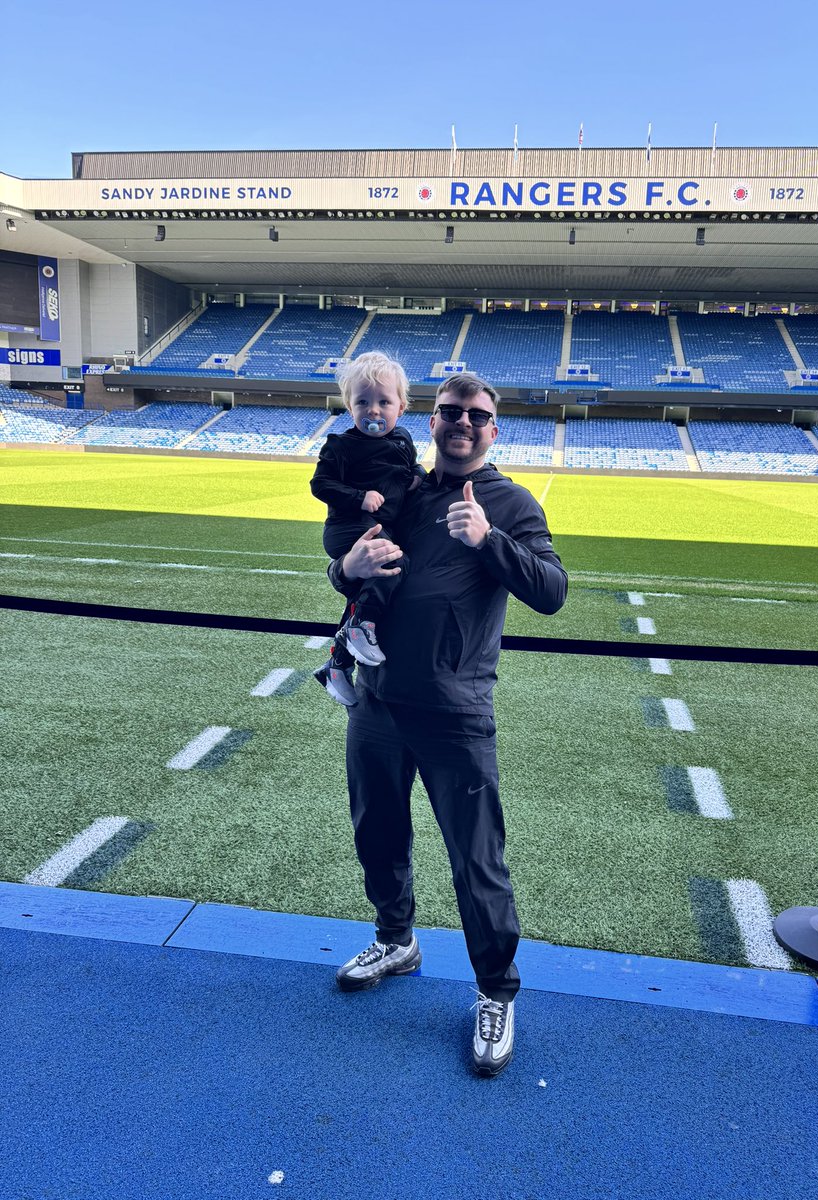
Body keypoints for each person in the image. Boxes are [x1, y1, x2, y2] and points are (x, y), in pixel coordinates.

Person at [324, 372, 568, 1077]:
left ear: (494, 430)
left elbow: (551, 592)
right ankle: (396, 939)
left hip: (456, 713)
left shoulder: (511, 502)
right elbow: (349, 560)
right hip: (376, 702)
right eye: (452, 412)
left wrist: (490, 540)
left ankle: (496, 990)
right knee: (377, 831)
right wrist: (346, 565)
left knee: (477, 860)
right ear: (431, 421)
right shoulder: (405, 489)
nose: (463, 423)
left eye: (478, 415)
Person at [309, 351, 424, 706]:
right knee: (394, 564)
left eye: (383, 401)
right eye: (363, 402)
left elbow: (410, 470)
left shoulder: (402, 441)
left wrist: (418, 477)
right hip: (349, 527)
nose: (373, 410)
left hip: (377, 526)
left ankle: (337, 665)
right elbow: (320, 485)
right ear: (349, 405)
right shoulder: (341, 446)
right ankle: (363, 629)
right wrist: (359, 496)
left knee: (365, 592)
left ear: (401, 407)